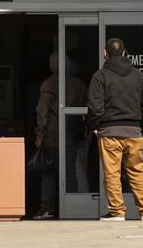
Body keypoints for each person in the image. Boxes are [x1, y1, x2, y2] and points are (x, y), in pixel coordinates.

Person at [87, 38, 143, 221]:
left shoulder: (100, 76)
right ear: (124, 52)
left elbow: (95, 107)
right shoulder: (137, 74)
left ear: (105, 53)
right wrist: (133, 113)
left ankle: (117, 212)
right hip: (134, 132)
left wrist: (94, 126)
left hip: (110, 132)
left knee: (112, 174)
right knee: (137, 172)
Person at [33, 52, 87, 219]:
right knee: (70, 172)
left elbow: (42, 111)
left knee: (48, 172)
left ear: (52, 65)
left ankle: (47, 208)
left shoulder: (49, 84)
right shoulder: (79, 84)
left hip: (52, 134)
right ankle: (73, 207)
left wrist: (39, 134)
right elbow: (86, 107)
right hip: (72, 133)